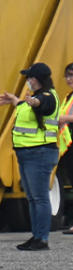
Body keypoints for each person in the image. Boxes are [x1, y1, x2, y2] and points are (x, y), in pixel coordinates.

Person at [0, 63, 60, 251]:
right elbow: (28, 108)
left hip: (39, 153)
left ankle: (42, 239)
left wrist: (34, 102)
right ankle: (37, 235)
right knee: (32, 198)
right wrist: (15, 100)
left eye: (29, 78)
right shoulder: (33, 98)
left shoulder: (48, 96)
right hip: (27, 153)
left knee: (39, 198)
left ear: (35, 79)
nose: (27, 81)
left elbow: (44, 104)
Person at [59, 64, 73, 234]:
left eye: (72, 75)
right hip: (68, 144)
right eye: (67, 76)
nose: (69, 79)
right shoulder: (68, 97)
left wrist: (64, 118)